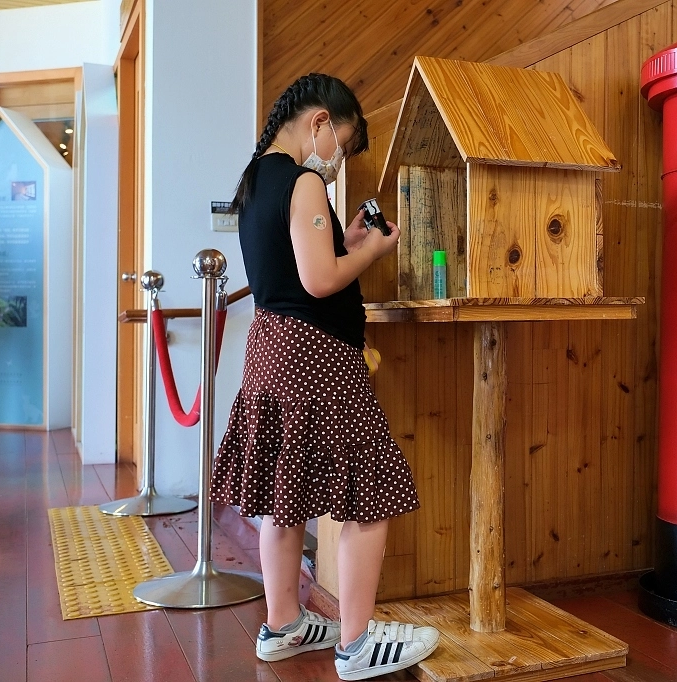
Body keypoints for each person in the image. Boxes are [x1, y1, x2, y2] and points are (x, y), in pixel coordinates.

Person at [211, 72, 439, 679]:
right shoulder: (305, 179)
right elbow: (318, 281)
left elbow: (293, 267)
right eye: (343, 144)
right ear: (319, 123)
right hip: (314, 354)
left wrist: (347, 239)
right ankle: (356, 642)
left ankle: (283, 624)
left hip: (269, 348)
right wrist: (372, 250)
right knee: (372, 487)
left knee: (284, 497)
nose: (338, 161)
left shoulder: (255, 179)